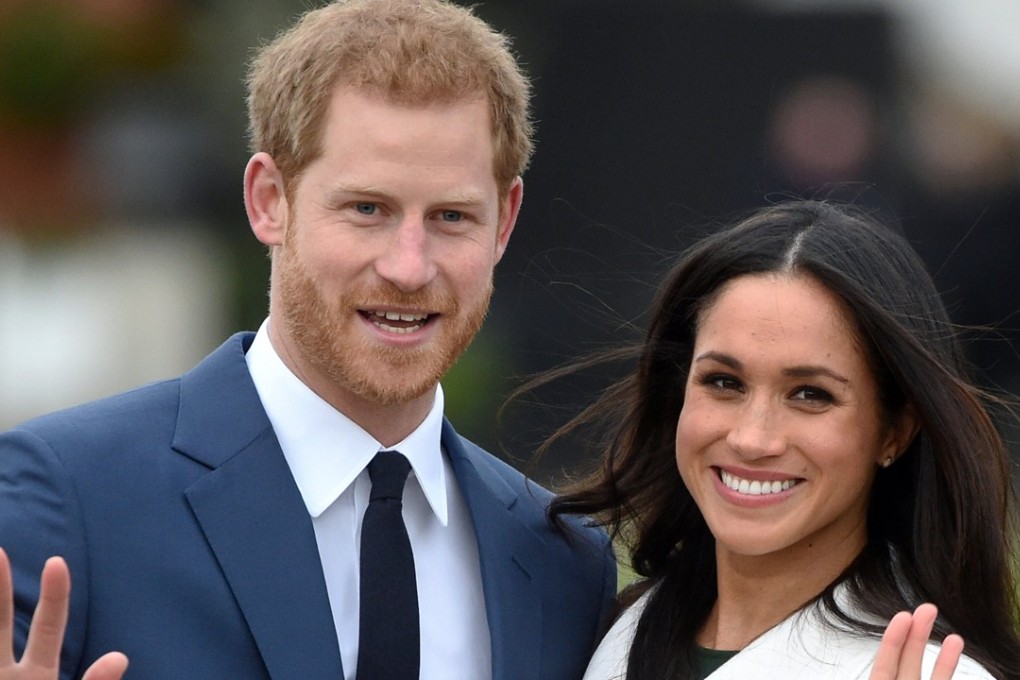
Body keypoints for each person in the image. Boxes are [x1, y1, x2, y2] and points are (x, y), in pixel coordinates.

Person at [0, 1, 616, 678]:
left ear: (505, 223)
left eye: (451, 216)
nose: (409, 266)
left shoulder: (563, 563)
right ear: (270, 200)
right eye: (367, 209)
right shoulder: (70, 498)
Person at [541, 200, 1020, 679]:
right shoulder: (605, 635)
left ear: (894, 430)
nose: (753, 438)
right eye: (724, 382)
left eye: (811, 395)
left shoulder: (931, 671)